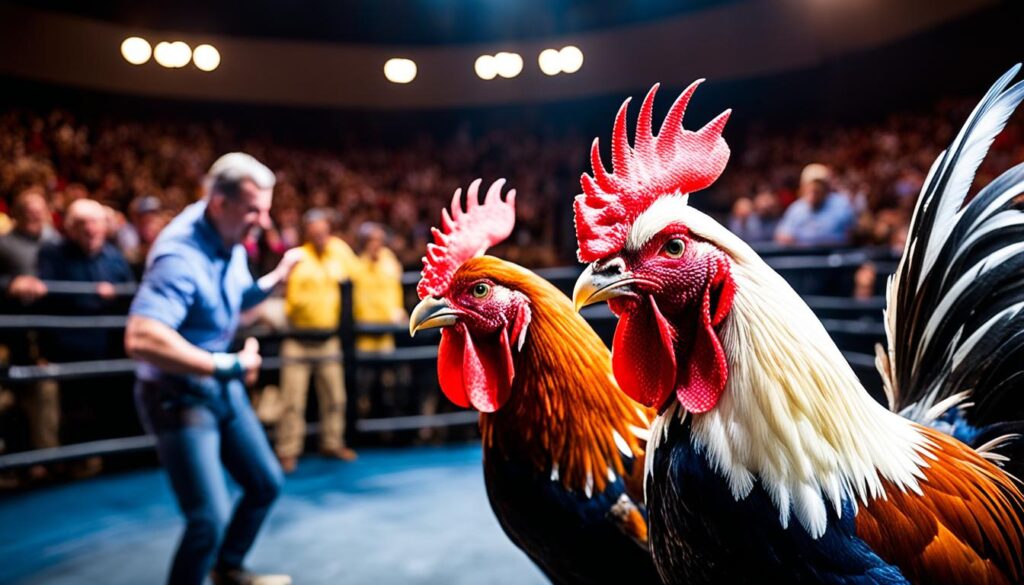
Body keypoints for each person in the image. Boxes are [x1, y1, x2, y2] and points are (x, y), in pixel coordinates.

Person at [124, 153, 300, 585]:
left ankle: (227, 569)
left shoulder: (229, 236)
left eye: (266, 207)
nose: (264, 220)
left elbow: (234, 301)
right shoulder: (178, 254)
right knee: (208, 521)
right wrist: (225, 365)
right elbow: (142, 337)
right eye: (254, 209)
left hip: (220, 385)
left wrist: (274, 280)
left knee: (264, 483)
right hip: (178, 395)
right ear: (219, 203)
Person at [36, 199, 134, 468]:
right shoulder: (53, 254)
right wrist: (94, 295)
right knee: (75, 414)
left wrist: (115, 296)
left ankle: (108, 463)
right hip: (70, 351)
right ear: (69, 228)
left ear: (105, 226)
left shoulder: (114, 256)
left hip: (110, 349)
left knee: (109, 410)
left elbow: (132, 296)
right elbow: (47, 296)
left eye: (95, 222)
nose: (90, 229)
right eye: (82, 224)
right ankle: (73, 468)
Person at [275, 208, 359, 473]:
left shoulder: (337, 253)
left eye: (325, 231)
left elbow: (355, 272)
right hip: (297, 339)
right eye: (315, 231)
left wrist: (338, 246)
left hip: (328, 339)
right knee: (292, 400)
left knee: (335, 396)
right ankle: (287, 450)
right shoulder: (298, 257)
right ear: (307, 233)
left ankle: (332, 443)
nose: (321, 236)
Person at [774, 163, 856, 247]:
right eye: (810, 186)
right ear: (803, 187)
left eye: (818, 186)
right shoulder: (797, 208)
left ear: (826, 188)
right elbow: (782, 236)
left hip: (834, 254)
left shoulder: (841, 205)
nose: (814, 190)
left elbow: (852, 234)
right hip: (804, 255)